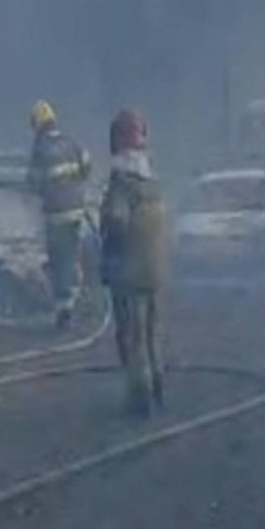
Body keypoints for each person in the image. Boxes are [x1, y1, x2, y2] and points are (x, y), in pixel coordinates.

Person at [98, 107, 168, 418]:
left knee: (132, 336)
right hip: (154, 271)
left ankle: (140, 399)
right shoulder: (153, 180)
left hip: (129, 273)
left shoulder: (122, 182)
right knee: (151, 334)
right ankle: (157, 387)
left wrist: (108, 254)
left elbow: (116, 221)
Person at [26, 100, 94, 330]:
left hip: (56, 214)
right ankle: (76, 297)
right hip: (76, 210)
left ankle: (65, 309)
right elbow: (87, 167)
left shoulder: (41, 149)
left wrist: (42, 189)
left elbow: (34, 183)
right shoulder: (71, 142)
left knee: (59, 259)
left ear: (37, 125)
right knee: (72, 255)